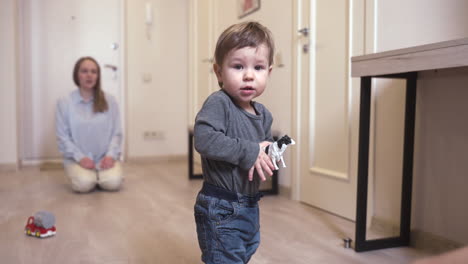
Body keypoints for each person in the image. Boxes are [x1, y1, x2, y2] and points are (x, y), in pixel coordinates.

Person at [193, 21, 276, 264]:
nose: (249, 75)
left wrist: (271, 155)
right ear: (219, 72)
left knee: (246, 249)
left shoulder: (264, 115)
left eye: (258, 67)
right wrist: (250, 151)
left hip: (250, 203)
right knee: (225, 258)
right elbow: (205, 139)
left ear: (268, 72)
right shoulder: (219, 103)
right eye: (238, 66)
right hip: (220, 205)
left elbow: (264, 150)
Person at [55, 56, 123, 193]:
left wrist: (110, 155)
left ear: (98, 76)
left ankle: (101, 175)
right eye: (84, 71)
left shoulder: (110, 101)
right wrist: (80, 158)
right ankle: (90, 176)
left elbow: (117, 133)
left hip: (104, 158)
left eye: (94, 71)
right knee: (84, 184)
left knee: (113, 183)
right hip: (77, 159)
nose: (89, 75)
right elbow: (63, 137)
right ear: (76, 75)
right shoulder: (64, 102)